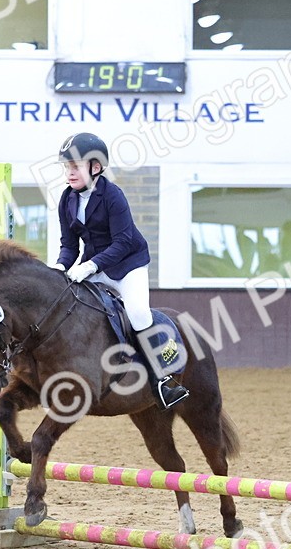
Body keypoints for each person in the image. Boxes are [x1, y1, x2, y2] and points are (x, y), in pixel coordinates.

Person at [52, 132, 189, 409]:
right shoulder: (67, 200)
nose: (69, 173)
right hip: (94, 264)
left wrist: (90, 266)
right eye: (67, 167)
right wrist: (58, 268)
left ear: (95, 167)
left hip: (128, 264)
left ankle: (164, 380)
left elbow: (124, 242)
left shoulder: (113, 196)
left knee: (137, 313)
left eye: (75, 166)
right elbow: (68, 245)